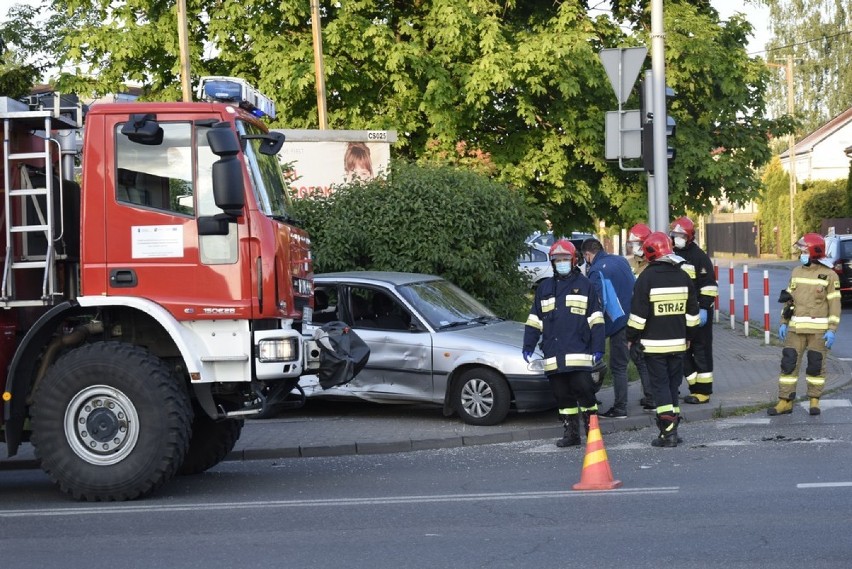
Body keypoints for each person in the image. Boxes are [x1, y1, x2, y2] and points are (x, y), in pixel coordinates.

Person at [523, 239, 605, 447]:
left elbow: (596, 320)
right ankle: (571, 433)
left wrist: (598, 348)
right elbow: (534, 320)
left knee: (584, 392)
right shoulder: (545, 288)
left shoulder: (584, 285)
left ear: (574, 260)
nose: (561, 262)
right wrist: (528, 345)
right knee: (562, 396)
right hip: (554, 353)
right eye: (557, 259)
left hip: (578, 352)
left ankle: (592, 430)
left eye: (565, 259)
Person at [626, 232, 699, 447]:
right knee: (673, 387)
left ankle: (668, 434)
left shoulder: (646, 278)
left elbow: (638, 316)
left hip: (654, 346)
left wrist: (630, 337)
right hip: (679, 344)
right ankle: (673, 429)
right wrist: (689, 338)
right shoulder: (683, 276)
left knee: (661, 389)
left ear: (650, 253)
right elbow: (692, 315)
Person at [768, 233, 841, 416]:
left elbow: (835, 304)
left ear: (814, 252)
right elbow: (789, 299)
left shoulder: (830, 275)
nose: (801, 253)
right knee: (788, 365)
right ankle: (785, 401)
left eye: (804, 250)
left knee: (816, 366)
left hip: (818, 332)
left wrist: (832, 330)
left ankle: (814, 401)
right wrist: (784, 322)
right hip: (795, 329)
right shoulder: (796, 272)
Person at [581, 237, 635, 419]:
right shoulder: (620, 260)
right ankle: (651, 400)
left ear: (587, 255)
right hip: (634, 318)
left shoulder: (596, 271)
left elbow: (597, 303)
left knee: (618, 366)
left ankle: (620, 408)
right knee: (641, 360)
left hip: (617, 322)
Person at [670, 216, 718, 404]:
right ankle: (693, 386)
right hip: (680, 312)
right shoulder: (672, 255)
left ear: (689, 236)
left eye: (681, 235)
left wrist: (704, 308)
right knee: (682, 351)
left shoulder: (699, 257)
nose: (677, 238)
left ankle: (703, 391)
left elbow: (709, 286)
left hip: (699, 312)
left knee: (701, 351)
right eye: (675, 234)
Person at [625, 223, 656, 412]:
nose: (633, 247)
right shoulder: (633, 263)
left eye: (636, 243)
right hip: (637, 315)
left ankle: (652, 396)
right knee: (641, 358)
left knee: (642, 357)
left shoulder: (651, 265)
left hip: (648, 319)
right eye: (632, 243)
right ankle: (652, 394)